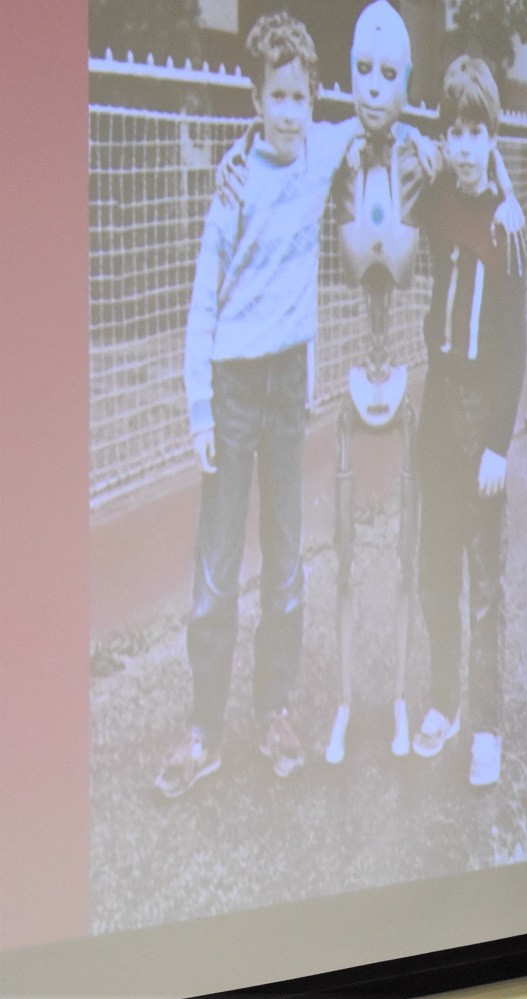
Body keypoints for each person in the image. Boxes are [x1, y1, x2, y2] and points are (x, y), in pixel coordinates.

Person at [155, 12, 352, 797]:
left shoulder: (322, 151)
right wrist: (200, 408)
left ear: (312, 99)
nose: (291, 112)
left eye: (302, 97)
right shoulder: (233, 185)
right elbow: (203, 300)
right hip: (233, 387)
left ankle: (275, 711)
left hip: (287, 386)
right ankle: (203, 730)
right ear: (257, 98)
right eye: (278, 97)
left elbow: (384, 123)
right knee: (216, 568)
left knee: (286, 560)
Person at [407, 55, 527, 786]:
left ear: (491, 136)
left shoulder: (506, 227)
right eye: (453, 131)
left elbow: (515, 346)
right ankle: (444, 703)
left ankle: (486, 725)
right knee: (435, 571)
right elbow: (403, 165)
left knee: (485, 585)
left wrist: (498, 444)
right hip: (438, 406)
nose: (462, 144)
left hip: (484, 410)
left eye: (475, 131)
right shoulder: (436, 201)